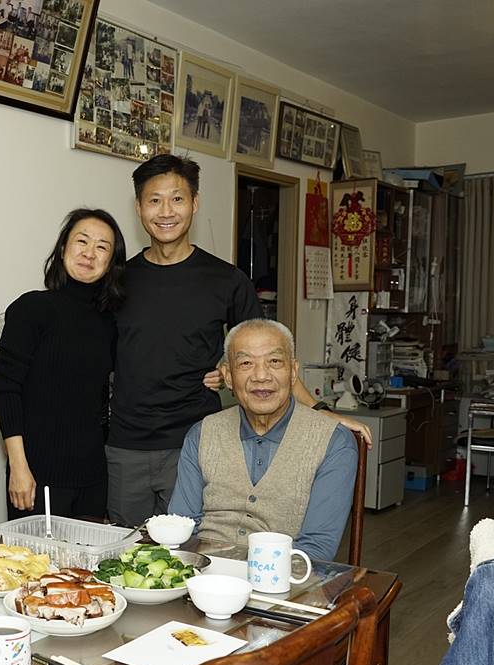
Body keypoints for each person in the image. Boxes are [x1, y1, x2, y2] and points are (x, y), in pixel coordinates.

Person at [105, 153, 370, 527]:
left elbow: (269, 356)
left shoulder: (225, 280)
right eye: (154, 200)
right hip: (126, 445)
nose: (166, 211)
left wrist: (321, 411)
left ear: (195, 203)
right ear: (139, 207)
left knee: (194, 547)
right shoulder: (118, 280)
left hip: (196, 443)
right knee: (127, 548)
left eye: (177, 199)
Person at [168, 319, 357, 561]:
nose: (261, 376)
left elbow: (317, 548)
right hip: (204, 572)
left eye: (274, 361)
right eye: (246, 363)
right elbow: (181, 527)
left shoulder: (334, 442)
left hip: (283, 577)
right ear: (228, 376)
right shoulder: (202, 433)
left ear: (293, 372)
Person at [0, 208, 126, 520]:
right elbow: (7, 390)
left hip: (93, 476)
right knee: (32, 554)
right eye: (82, 241)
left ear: (111, 263)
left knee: (90, 553)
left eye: (102, 247)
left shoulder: (110, 322)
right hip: (37, 474)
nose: (89, 253)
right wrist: (18, 467)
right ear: (64, 247)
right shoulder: (31, 309)